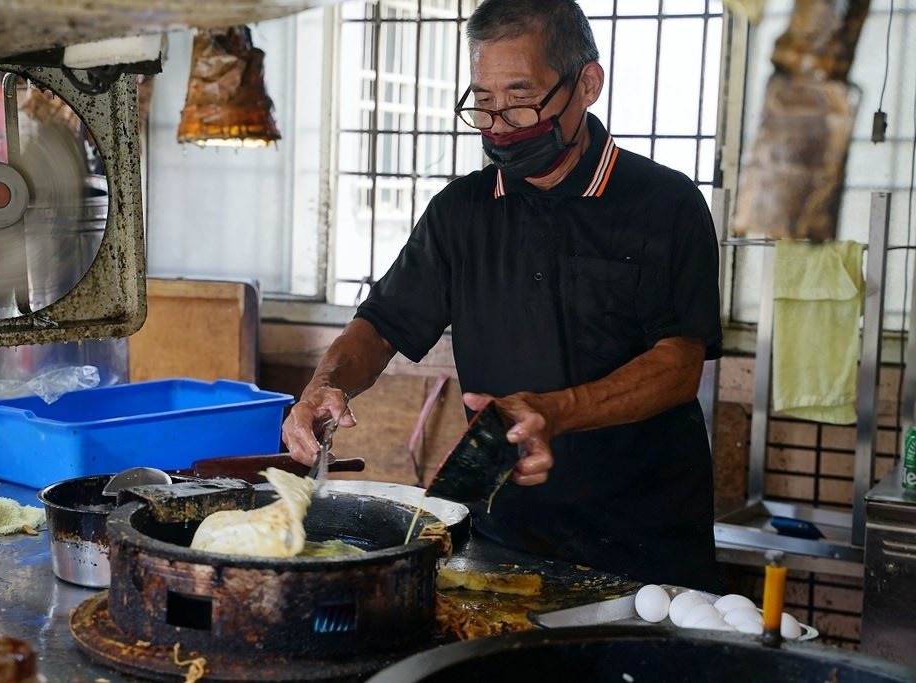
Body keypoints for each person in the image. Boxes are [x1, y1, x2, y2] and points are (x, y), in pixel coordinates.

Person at [282, 0, 724, 593]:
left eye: (520, 98)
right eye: (483, 103)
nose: (499, 125)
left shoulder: (665, 206)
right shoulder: (460, 212)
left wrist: (556, 411)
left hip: (646, 544)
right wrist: (324, 384)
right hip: (503, 538)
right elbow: (383, 324)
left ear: (587, 84)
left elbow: (679, 365)